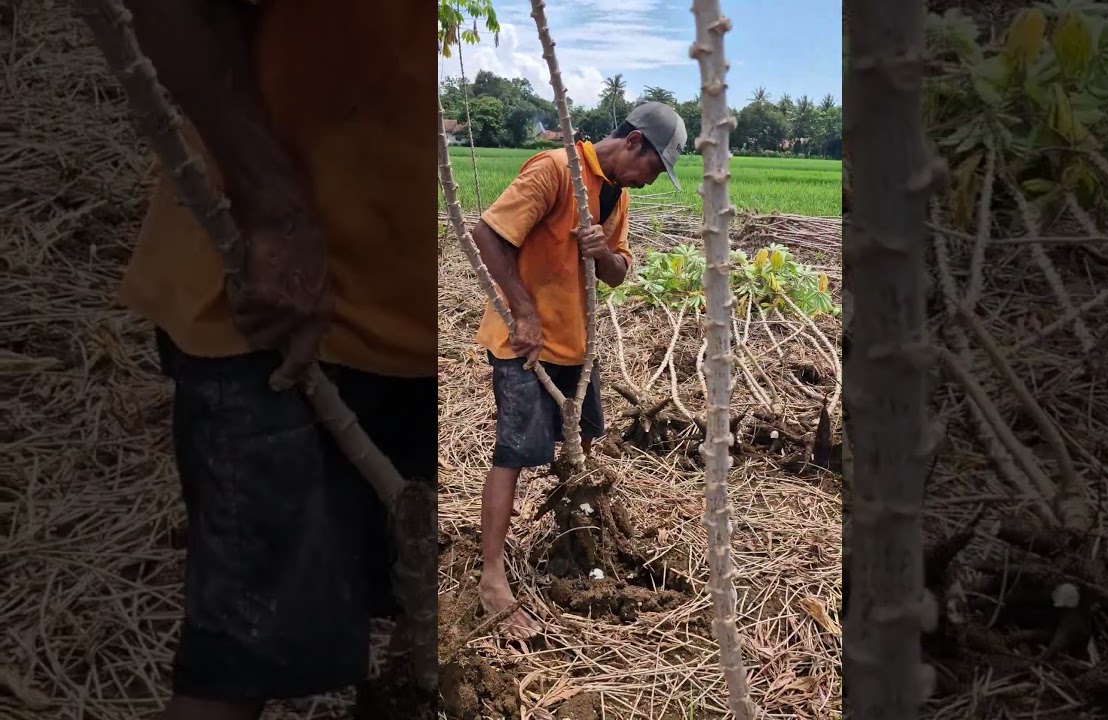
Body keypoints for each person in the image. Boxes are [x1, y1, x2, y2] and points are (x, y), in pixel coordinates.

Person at [116, 2, 436, 719]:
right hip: (275, 303)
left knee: (419, 627)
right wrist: (275, 209)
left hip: (423, 335)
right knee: (234, 667)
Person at [470, 101, 688, 639]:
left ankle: (581, 539)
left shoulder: (617, 195)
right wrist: (523, 312)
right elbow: (487, 233)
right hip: (524, 343)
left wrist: (601, 253)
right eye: (654, 167)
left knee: (585, 443)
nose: (651, 181)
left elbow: (617, 272)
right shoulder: (555, 169)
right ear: (633, 142)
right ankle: (492, 577)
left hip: (575, 347)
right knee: (515, 453)